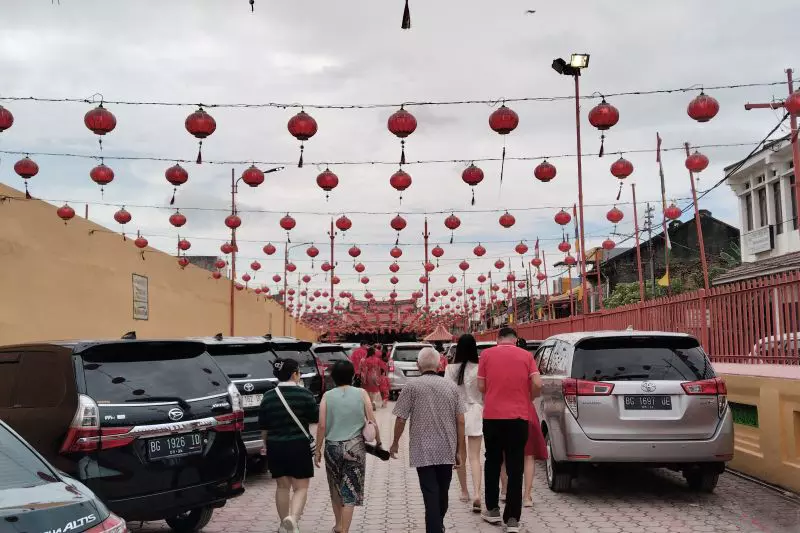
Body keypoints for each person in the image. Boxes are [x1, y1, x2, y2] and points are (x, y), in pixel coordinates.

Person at [390, 347, 466, 533]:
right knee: (443, 491)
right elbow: (461, 420)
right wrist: (459, 450)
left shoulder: (411, 387)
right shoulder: (451, 387)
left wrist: (395, 442)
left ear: (418, 365)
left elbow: (401, 418)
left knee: (430, 492)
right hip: (447, 448)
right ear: (439, 365)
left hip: (422, 449)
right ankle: (437, 525)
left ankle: (435, 525)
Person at [478, 327, 542, 533]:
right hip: (519, 417)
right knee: (516, 466)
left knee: (492, 461)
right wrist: (529, 396)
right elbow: (537, 383)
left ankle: (492, 509)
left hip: (492, 416)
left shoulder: (486, 354)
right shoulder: (526, 356)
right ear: (515, 340)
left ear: (498, 339)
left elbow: (481, 386)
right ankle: (513, 518)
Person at [315, 360, 382, 533]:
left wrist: (318, 450)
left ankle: (338, 525)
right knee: (350, 490)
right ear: (353, 376)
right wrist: (379, 442)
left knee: (336, 488)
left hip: (332, 448)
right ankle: (344, 529)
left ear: (333, 377)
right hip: (355, 447)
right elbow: (371, 420)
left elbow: (321, 425)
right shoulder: (361, 393)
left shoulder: (327, 396)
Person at [259, 358, 319, 533]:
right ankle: (293, 519)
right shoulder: (305, 395)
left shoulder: (268, 397)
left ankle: (283, 525)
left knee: (282, 487)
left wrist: (266, 445)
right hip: (299, 445)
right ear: (294, 374)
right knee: (301, 487)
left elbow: (264, 427)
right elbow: (315, 417)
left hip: (275, 446)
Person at [445, 334, 484, 513]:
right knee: (475, 456)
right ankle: (477, 493)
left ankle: (464, 491)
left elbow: (447, 394)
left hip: (457, 413)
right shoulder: (480, 368)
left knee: (460, 454)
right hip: (476, 411)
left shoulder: (450, 369)